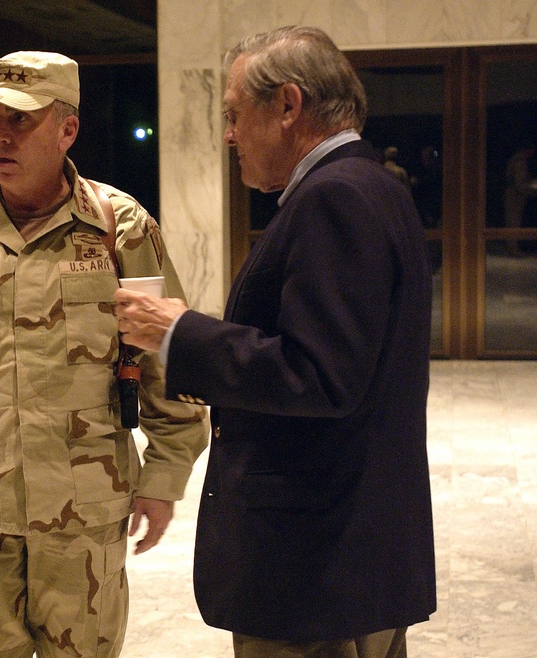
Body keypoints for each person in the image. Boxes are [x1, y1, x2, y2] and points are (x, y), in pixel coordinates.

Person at [114, 26, 435, 658]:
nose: (229, 135)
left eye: (234, 115)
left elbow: (317, 375)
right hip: (354, 554)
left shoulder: (335, 197)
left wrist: (180, 333)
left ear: (288, 107)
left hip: (315, 570)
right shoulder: (374, 186)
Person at [0, 51, 208, 658]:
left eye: (22, 121)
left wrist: (165, 475)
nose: (1, 136)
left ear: (68, 128)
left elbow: (168, 356)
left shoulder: (121, 229)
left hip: (84, 510)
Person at [504, 142, 537, 255]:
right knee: (513, 222)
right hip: (515, 196)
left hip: (515, 194)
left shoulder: (517, 160)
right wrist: (532, 188)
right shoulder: (519, 161)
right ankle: (512, 249)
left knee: (514, 222)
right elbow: (520, 183)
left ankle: (513, 248)